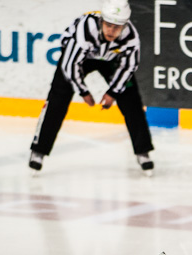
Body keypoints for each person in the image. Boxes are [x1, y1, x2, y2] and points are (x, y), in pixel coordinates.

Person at [29, 0, 154, 174]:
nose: (112, 30)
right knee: (58, 97)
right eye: (108, 25)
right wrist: (83, 91)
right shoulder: (86, 30)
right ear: (101, 21)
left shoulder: (131, 37)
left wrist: (112, 92)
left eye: (117, 27)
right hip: (79, 59)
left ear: (124, 25)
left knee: (131, 97)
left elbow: (128, 67)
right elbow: (70, 65)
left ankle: (143, 151)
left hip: (110, 60)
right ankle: (39, 150)